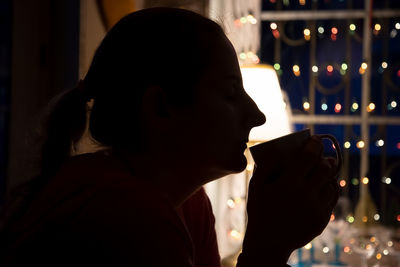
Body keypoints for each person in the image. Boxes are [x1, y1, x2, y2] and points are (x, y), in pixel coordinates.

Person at [0, 7, 339, 267]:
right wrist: (269, 246)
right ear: (160, 108)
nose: (257, 115)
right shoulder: (126, 216)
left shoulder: (190, 207)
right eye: (231, 93)